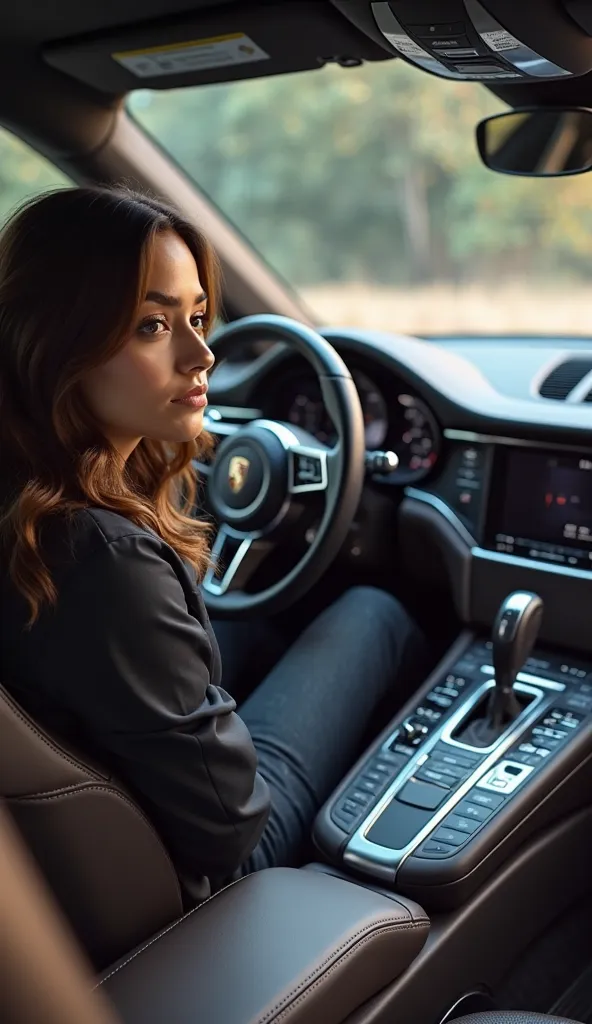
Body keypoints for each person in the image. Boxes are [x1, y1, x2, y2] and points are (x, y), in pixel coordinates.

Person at [0, 186, 427, 906]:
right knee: (372, 611)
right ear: (57, 342)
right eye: (151, 325)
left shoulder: (31, 498)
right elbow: (228, 828)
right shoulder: (101, 557)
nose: (201, 355)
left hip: (89, 839)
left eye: (198, 317)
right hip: (215, 869)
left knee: (257, 613)